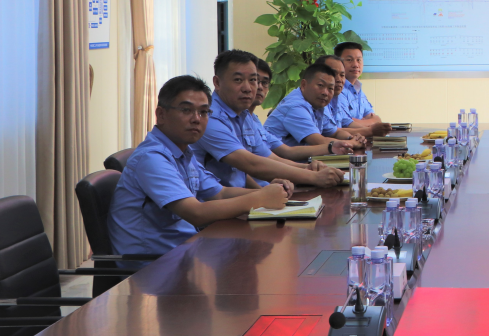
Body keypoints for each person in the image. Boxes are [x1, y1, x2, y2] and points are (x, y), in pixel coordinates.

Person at [107, 75, 290, 256]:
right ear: (161, 115)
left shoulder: (183, 152)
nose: (196, 119)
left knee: (261, 250)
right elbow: (196, 213)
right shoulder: (152, 158)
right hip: (153, 265)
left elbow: (220, 193)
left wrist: (269, 192)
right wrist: (259, 198)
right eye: (186, 110)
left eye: (203, 112)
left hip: (185, 251)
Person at [191, 50, 345, 189]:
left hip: (244, 196)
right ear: (217, 83)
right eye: (238, 80)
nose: (248, 88)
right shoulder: (210, 117)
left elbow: (269, 158)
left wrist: (309, 169)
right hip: (218, 204)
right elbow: (251, 164)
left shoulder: (245, 115)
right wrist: (313, 177)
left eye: (253, 80)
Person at [264, 63, 361, 150]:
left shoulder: (317, 104)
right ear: (304, 85)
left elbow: (335, 132)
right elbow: (318, 141)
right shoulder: (295, 107)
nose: (325, 93)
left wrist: (352, 138)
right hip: (276, 161)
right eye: (320, 85)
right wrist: (351, 143)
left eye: (330, 88)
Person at [315, 54, 388, 139]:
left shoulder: (336, 98)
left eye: (342, 75)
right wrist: (370, 131)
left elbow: (347, 123)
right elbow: (332, 132)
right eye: (333, 74)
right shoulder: (313, 102)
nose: (339, 79)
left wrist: (371, 130)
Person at [334, 41, 382, 128]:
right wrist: (370, 122)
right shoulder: (336, 90)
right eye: (349, 60)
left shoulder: (358, 88)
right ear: (338, 63)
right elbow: (346, 124)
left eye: (359, 60)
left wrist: (363, 122)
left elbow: (375, 119)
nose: (355, 65)